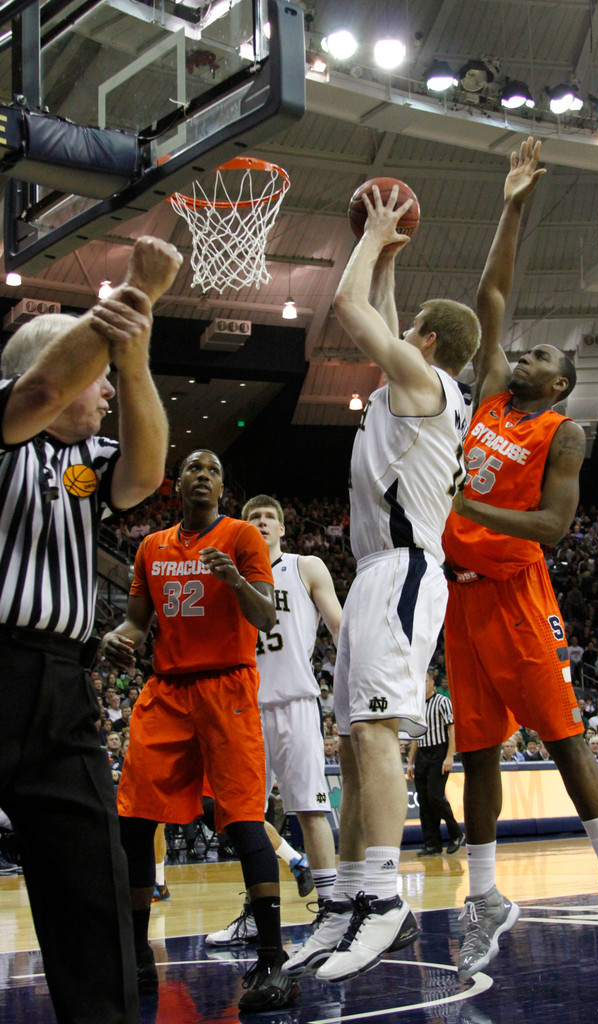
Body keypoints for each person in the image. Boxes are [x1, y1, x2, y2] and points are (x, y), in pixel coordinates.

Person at [442, 138, 598, 982]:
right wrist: (512, 202)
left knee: (563, 741)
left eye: (536, 358)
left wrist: (461, 501)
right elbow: (491, 293)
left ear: (557, 384)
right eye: (519, 353)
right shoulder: (489, 393)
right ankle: (484, 897)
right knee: (476, 754)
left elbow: (553, 529)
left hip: (518, 592)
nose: (520, 356)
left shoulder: (559, 432)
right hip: (459, 599)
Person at [285, 181, 479, 984]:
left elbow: (347, 307)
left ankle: (382, 898)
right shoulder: (424, 382)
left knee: (374, 733)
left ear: (424, 342)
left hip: (400, 573)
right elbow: (384, 311)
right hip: (377, 574)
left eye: (411, 330)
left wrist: (375, 231)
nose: (399, 332)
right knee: (352, 737)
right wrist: (394, 253)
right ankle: (347, 902)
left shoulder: (419, 381)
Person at [0, 235, 182, 1024]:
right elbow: (42, 390)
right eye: (100, 382)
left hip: (63, 685)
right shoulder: (11, 415)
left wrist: (135, 360)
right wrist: (133, 293)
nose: (104, 396)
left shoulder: (75, 467)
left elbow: (141, 476)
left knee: (89, 877)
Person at [101, 450, 298, 1014]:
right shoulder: (150, 546)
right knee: (134, 821)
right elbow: (137, 622)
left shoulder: (242, 537)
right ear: (177, 484)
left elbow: (264, 616)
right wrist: (121, 638)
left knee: (242, 822)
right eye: (193, 468)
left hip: (227, 688)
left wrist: (235, 579)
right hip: (167, 690)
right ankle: (137, 956)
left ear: (221, 487)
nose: (203, 476)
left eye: (213, 470)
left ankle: (272, 962)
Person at [205, 493, 342, 948]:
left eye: (269, 518)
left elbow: (339, 627)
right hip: (242, 706)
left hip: (295, 703)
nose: (261, 522)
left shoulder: (306, 566)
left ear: (283, 528)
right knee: (244, 817)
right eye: (252, 518)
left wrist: (355, 685)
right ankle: (258, 913)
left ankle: (331, 911)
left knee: (310, 808)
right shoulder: (230, 576)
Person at [406, 669, 465, 856]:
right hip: (422, 754)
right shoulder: (417, 706)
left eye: (424, 681)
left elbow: (452, 729)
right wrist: (410, 762)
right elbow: (415, 736)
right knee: (424, 800)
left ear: (432, 683)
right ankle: (432, 844)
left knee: (435, 797)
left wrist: (450, 755)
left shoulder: (442, 702)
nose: (421, 685)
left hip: (439, 752)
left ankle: (456, 833)